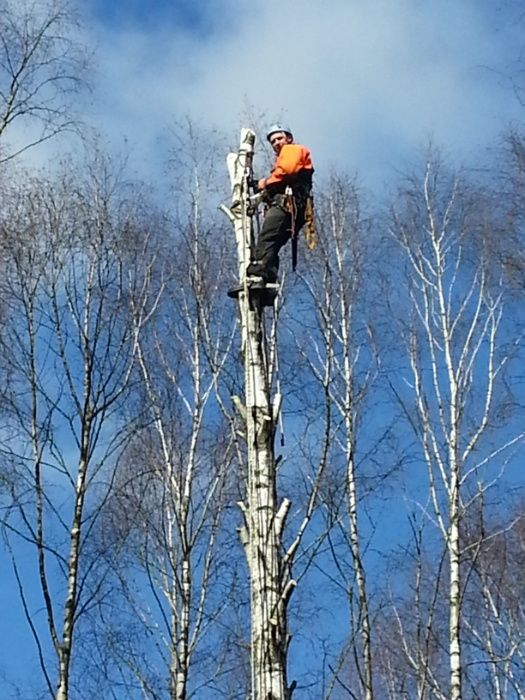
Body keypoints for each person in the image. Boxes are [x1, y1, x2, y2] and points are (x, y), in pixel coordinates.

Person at [229, 124, 314, 296]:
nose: (276, 143)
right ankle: (268, 278)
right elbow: (282, 178)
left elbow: (287, 170)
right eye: (273, 141)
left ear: (288, 138)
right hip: (294, 209)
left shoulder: (292, 150)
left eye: (279, 138)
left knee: (267, 238)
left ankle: (256, 276)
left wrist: (265, 183)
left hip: (287, 205)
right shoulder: (287, 157)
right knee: (273, 246)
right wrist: (263, 191)